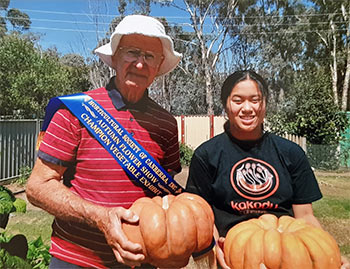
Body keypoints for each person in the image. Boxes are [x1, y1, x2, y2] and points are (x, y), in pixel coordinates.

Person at [26, 15, 183, 268]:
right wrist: (100, 217)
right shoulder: (76, 111)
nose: (140, 64)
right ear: (116, 56)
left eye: (150, 56)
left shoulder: (166, 124)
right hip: (76, 260)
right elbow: (37, 187)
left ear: (159, 64)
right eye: (132, 52)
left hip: (142, 260)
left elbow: (165, 195)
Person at [185, 70, 350, 269]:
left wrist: (327, 253)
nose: (247, 108)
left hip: (288, 258)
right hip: (234, 257)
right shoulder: (206, 155)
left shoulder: (291, 153)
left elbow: (305, 216)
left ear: (264, 105)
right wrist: (214, 251)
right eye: (238, 100)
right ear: (226, 105)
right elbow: (203, 217)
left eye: (255, 100)